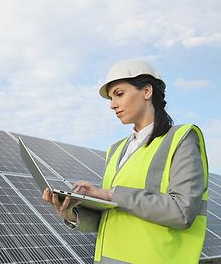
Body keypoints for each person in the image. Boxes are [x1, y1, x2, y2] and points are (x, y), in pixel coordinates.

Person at [42, 59, 208, 263]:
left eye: (119, 94)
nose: (112, 105)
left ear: (147, 91)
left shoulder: (181, 138)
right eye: (110, 98)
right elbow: (114, 218)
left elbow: (182, 212)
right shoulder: (116, 150)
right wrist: (70, 212)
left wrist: (111, 194)